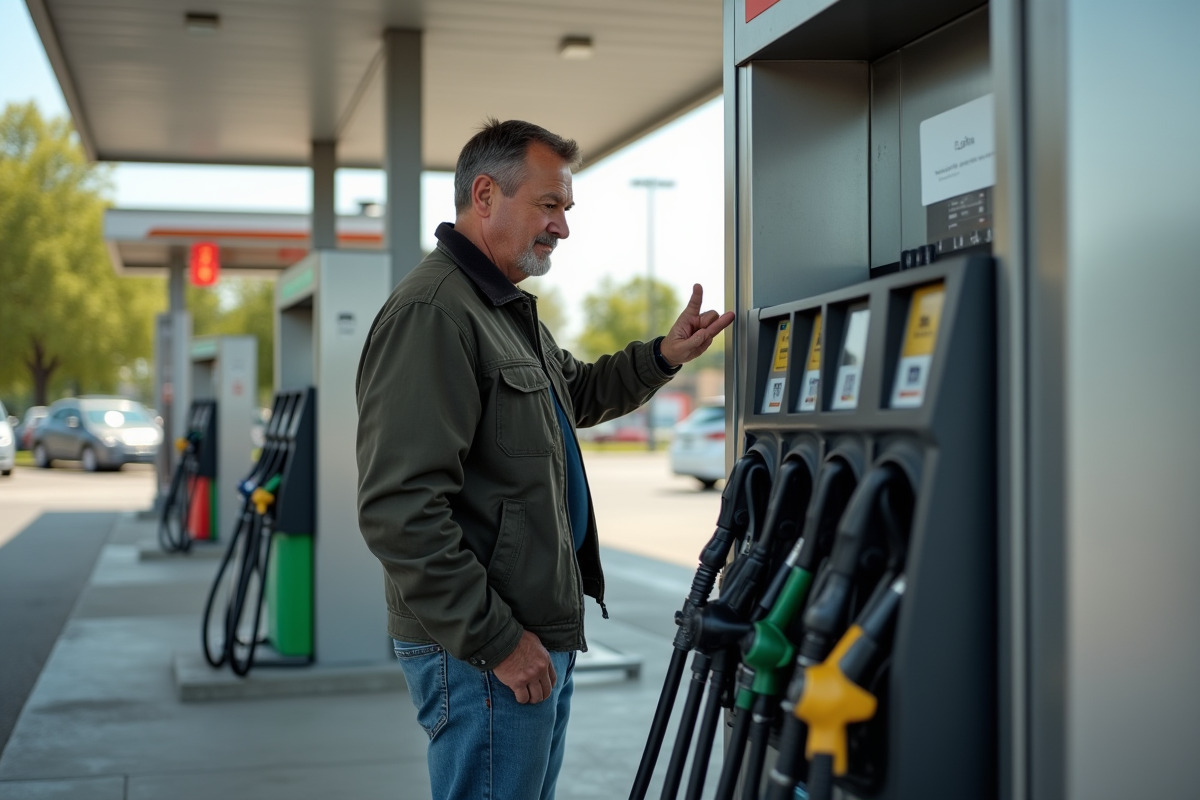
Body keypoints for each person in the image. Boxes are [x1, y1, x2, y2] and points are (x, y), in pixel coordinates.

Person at [355, 118, 733, 800]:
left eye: (566, 208)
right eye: (549, 204)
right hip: (483, 649)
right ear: (484, 196)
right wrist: (497, 639)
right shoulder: (435, 313)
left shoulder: (499, 310)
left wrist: (662, 356)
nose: (562, 227)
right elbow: (399, 509)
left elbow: (577, 392)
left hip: (526, 632)